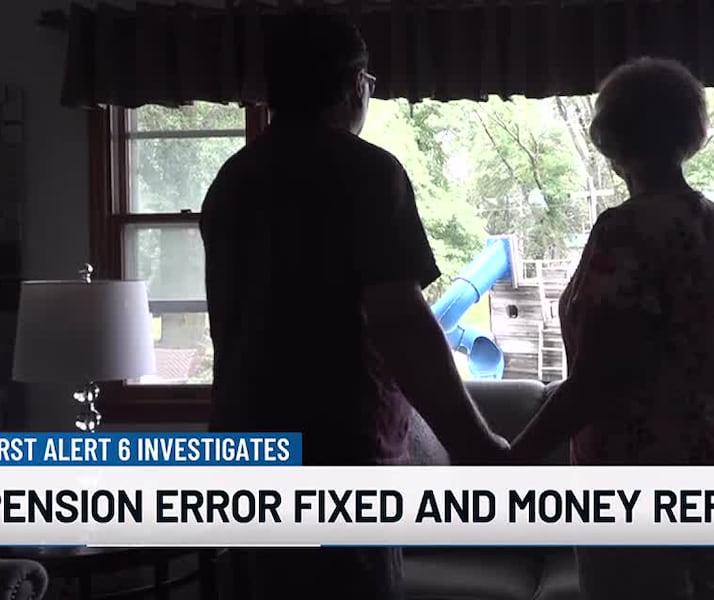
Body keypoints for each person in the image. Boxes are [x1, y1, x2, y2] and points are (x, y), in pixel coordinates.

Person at [199, 10, 508, 599]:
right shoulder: (367, 173)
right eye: (368, 82)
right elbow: (401, 321)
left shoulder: (232, 181)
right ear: (351, 84)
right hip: (341, 458)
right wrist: (474, 444)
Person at [510, 57, 714, 600]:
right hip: (712, 452)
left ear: (613, 137)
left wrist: (513, 460)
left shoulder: (624, 230)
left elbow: (598, 379)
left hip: (638, 463)